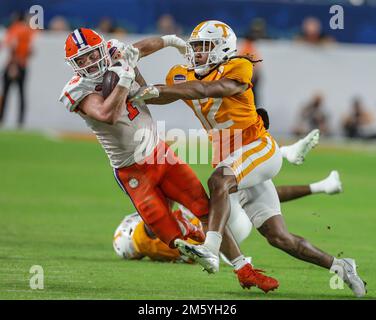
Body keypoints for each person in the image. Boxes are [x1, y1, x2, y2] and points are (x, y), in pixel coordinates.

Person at [132, 20, 366, 297]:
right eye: (195, 48)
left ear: (223, 48)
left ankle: (210, 248)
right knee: (279, 238)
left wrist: (157, 90)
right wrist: (133, 74)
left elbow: (207, 90)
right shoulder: (179, 74)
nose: (197, 54)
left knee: (218, 180)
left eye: (205, 48)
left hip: (258, 148)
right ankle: (341, 265)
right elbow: (154, 97)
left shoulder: (239, 65)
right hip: (232, 157)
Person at [58, 28, 278, 292]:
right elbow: (108, 114)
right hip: (132, 170)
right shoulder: (76, 90)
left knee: (205, 209)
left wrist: (170, 41)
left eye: (91, 55)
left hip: (161, 154)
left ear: (102, 49)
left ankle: (244, 270)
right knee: (167, 233)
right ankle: (192, 245)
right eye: (80, 61)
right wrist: (126, 77)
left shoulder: (116, 53)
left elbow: (141, 47)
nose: (89, 63)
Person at [114, 170, 343, 263]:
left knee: (253, 191)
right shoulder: (143, 239)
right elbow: (153, 225)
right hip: (222, 228)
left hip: (228, 234)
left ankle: (322, 186)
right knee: (243, 182)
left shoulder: (158, 252)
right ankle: (286, 155)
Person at [0, 12, 36, 127]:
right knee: (21, 94)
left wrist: (13, 65)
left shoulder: (15, 29)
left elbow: (12, 45)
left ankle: (1, 119)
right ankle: (20, 121)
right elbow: (31, 51)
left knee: (6, 93)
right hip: (23, 65)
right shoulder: (29, 31)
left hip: (13, 65)